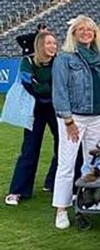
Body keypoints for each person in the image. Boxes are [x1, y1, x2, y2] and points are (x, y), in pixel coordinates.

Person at [51, 16, 100, 230]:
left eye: (90, 30)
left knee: (93, 163)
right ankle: (61, 208)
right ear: (73, 33)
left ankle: (87, 200)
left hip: (96, 115)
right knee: (66, 163)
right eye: (81, 29)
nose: (86, 33)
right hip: (73, 117)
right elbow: (60, 91)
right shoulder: (65, 58)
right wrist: (68, 120)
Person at [6, 31, 59, 206]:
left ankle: (52, 183)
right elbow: (29, 84)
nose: (53, 46)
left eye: (54, 43)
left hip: (55, 109)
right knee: (29, 148)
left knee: (62, 146)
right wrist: (47, 88)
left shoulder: (58, 61)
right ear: (40, 45)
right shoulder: (27, 62)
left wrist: (44, 87)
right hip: (35, 109)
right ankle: (18, 190)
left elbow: (58, 84)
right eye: (48, 43)